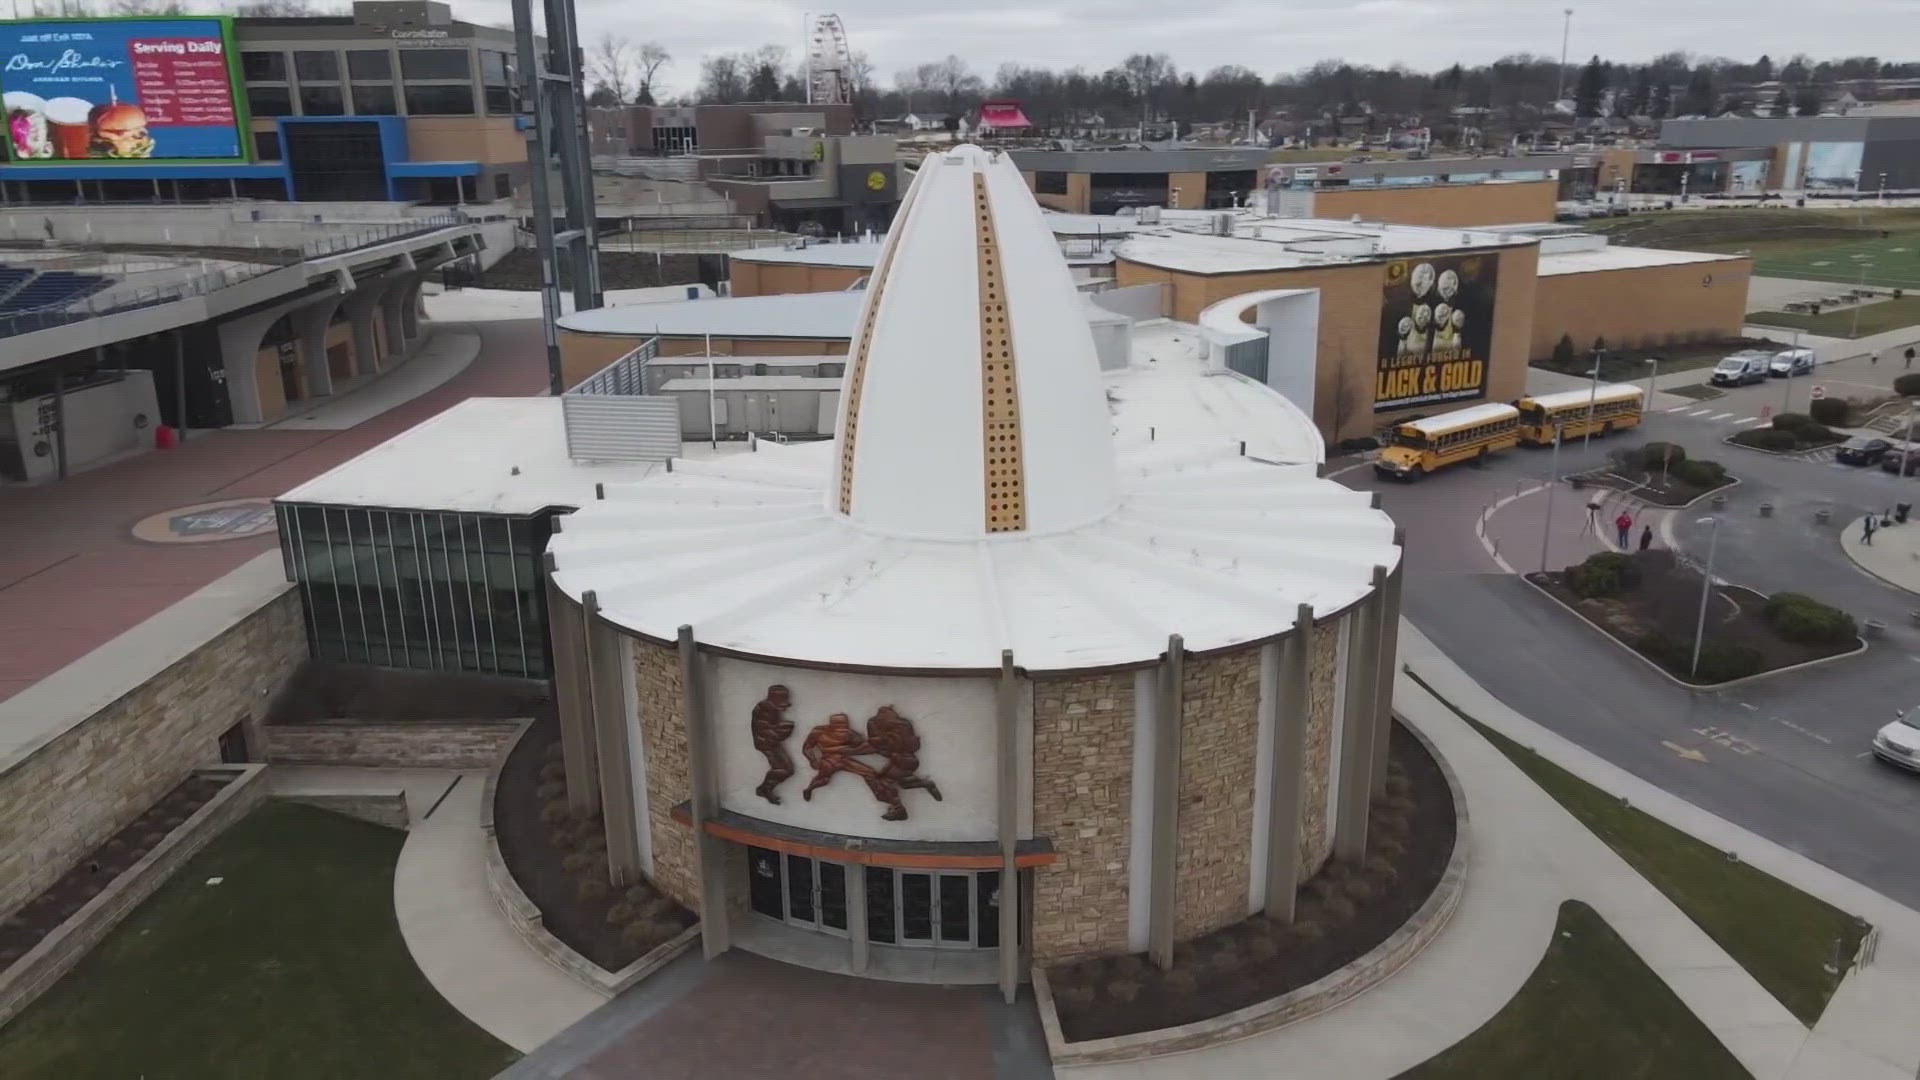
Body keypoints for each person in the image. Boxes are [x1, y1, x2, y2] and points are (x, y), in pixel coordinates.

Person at [750, 685, 797, 804]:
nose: (785, 702)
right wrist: (782, 730)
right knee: (784, 769)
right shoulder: (764, 708)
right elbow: (764, 728)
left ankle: (764, 788)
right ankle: (764, 789)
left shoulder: (769, 706)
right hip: (766, 743)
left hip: (770, 742)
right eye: (783, 698)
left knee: (786, 769)